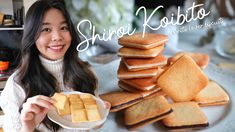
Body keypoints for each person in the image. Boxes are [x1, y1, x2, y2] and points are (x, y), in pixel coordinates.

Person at [0, 0, 109, 131]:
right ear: (31, 35)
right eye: (46, 29)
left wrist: (101, 116)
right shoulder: (16, 85)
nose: (57, 37)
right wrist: (28, 127)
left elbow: (92, 126)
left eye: (63, 28)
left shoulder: (87, 72)